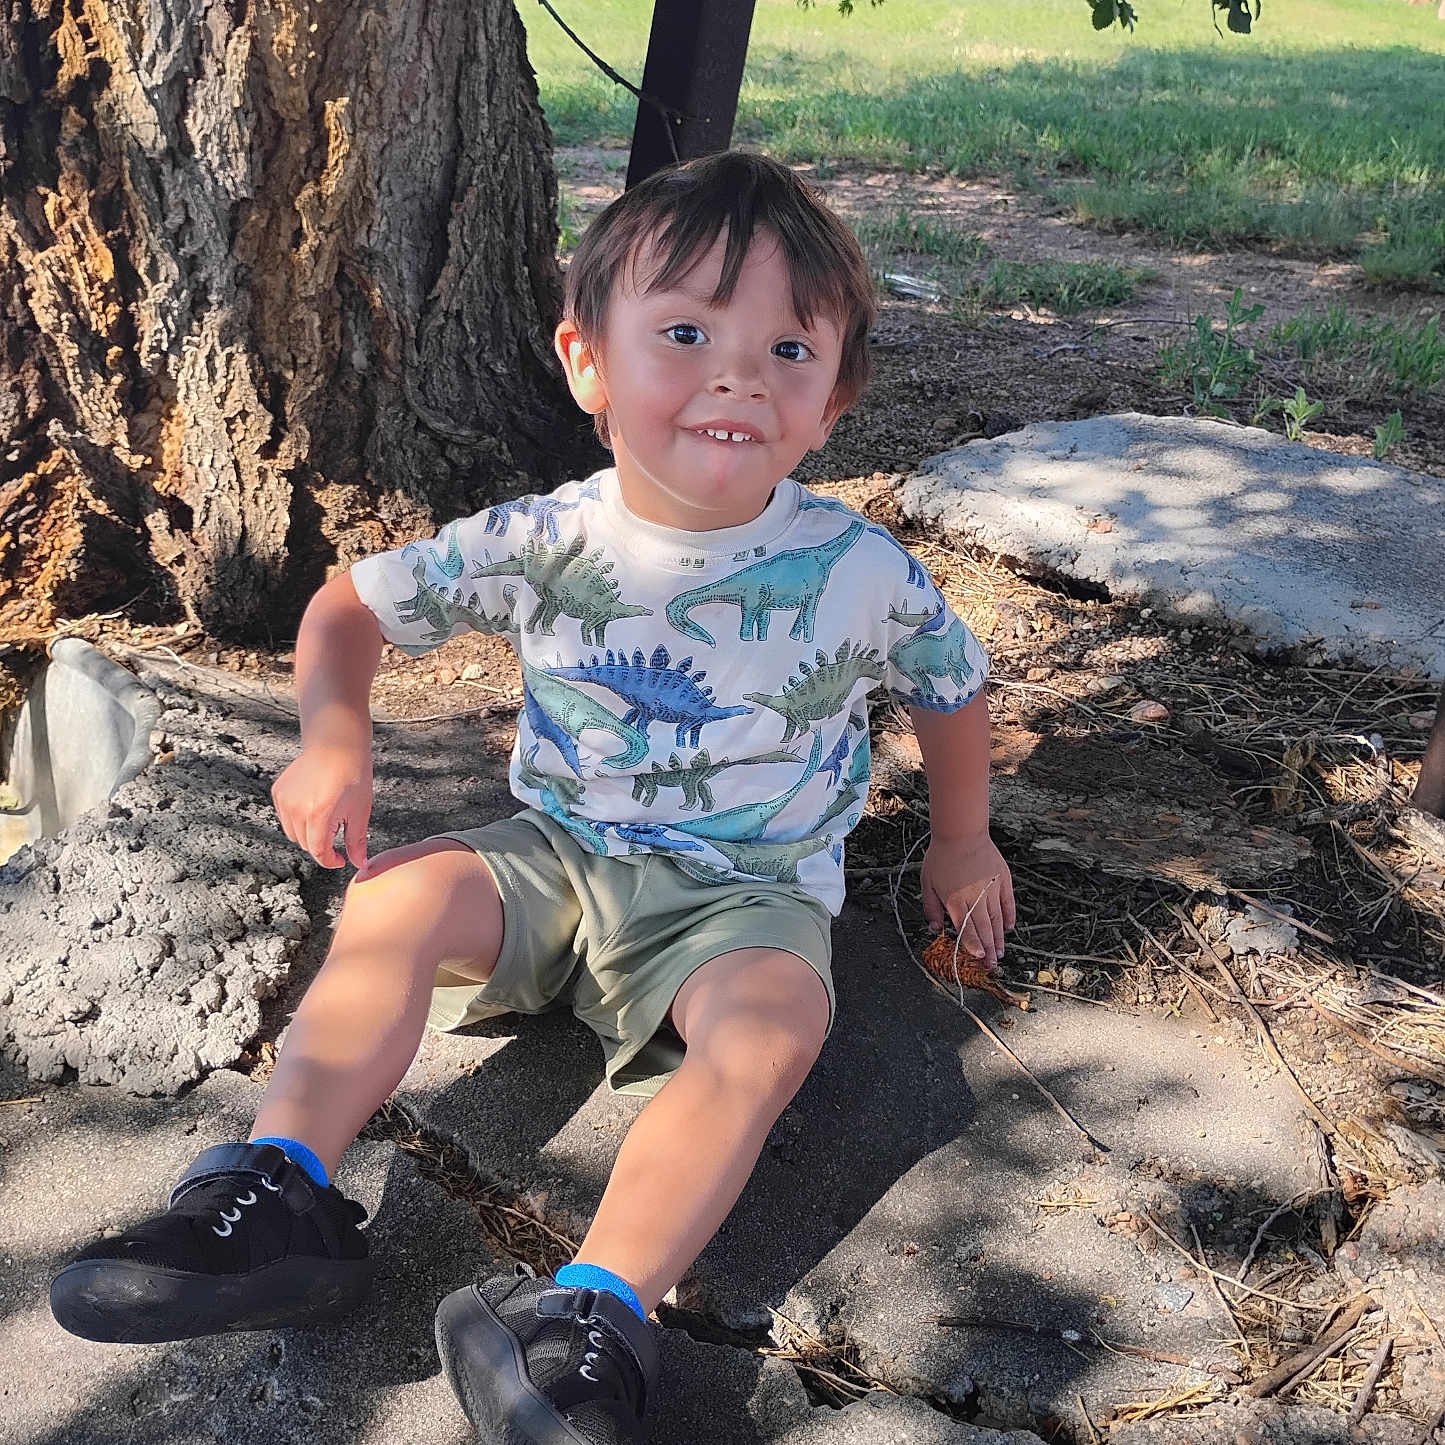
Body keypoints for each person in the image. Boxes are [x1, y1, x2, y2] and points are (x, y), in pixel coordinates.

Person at [51, 151, 1014, 1444]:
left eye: (789, 349)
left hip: (748, 902)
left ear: (832, 399)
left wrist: (963, 838)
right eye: (684, 332)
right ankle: (273, 1186)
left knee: (775, 1029)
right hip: (554, 854)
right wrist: (333, 743)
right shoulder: (545, 539)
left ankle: (589, 1315)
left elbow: (950, 688)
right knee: (393, 900)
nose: (737, 373)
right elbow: (348, 608)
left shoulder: (859, 568)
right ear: (586, 363)